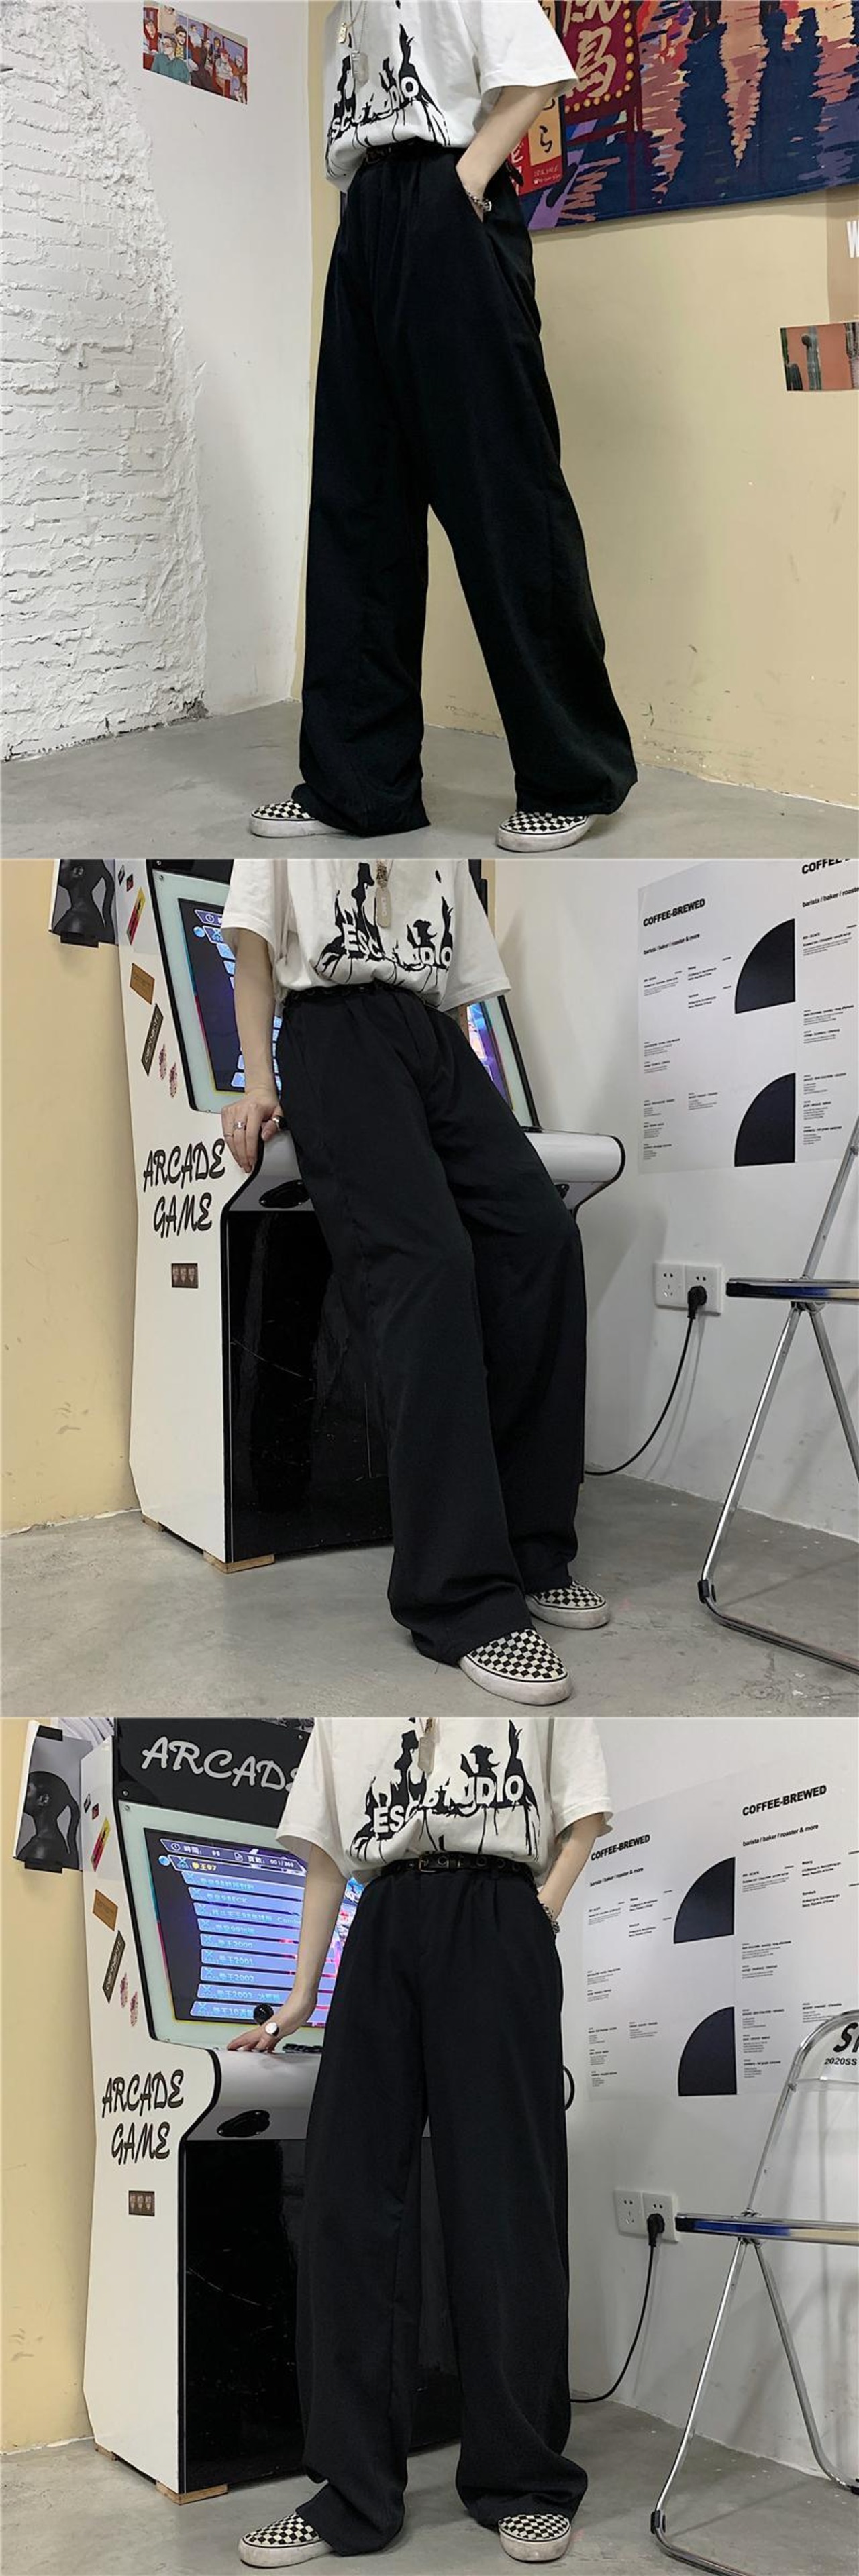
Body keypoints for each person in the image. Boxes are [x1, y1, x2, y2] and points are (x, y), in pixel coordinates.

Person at [221, 855, 610, 1707]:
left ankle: (532, 1550)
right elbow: (252, 948)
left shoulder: (439, 849)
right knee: (426, 1267)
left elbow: (460, 989)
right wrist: (259, 1084)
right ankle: (458, 1600)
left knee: (540, 1238)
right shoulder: (296, 842)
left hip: (433, 1041)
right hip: (334, 1030)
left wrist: (465, 1101)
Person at [250, 0, 636, 855]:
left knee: (503, 497)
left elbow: (533, 71)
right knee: (358, 506)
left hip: (445, 198)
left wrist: (461, 183)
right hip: (367, 213)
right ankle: (357, 783)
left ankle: (570, 775)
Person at [229, 1713, 611, 2570]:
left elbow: (582, 1812)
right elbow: (325, 1855)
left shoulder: (534, 1711)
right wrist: (298, 2000)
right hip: (384, 1921)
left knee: (505, 2204)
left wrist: (539, 1913)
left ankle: (522, 2480)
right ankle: (350, 2489)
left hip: (499, 1914)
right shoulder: (343, 1712)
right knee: (347, 2204)